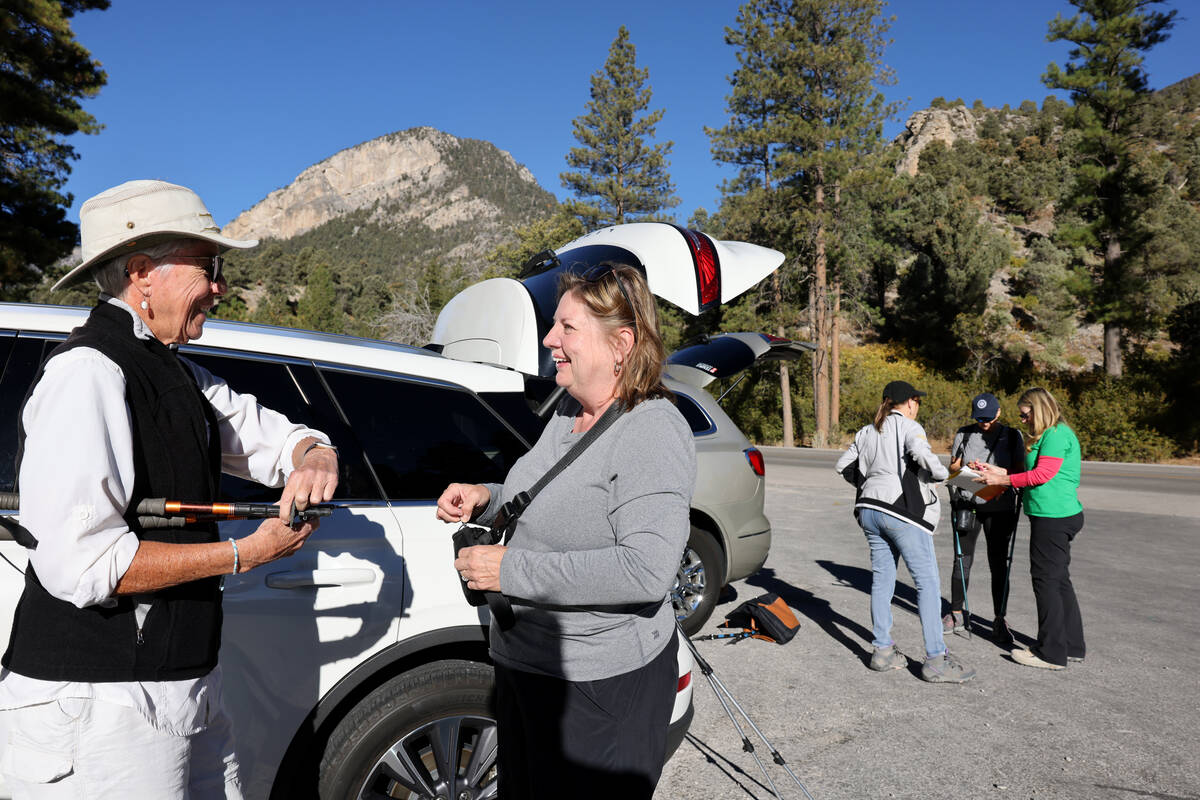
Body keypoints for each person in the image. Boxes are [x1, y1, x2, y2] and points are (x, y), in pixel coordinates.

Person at [0, 180, 340, 799]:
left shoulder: (175, 372)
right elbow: (85, 564)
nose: (220, 285)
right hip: (101, 708)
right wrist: (247, 554)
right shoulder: (87, 374)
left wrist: (314, 453)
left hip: (179, 692)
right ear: (142, 273)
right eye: (208, 266)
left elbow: (270, 437)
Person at [435, 263, 695, 798]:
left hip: (598, 686)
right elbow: (546, 499)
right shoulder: (567, 416)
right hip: (525, 667)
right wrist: (486, 497)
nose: (550, 339)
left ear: (621, 343)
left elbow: (646, 571)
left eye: (567, 328)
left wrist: (511, 570)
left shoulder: (652, 429)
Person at [835, 380, 975, 683]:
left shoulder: (866, 430)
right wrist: (946, 473)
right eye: (917, 400)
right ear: (909, 402)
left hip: (869, 511)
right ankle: (936, 659)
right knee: (927, 584)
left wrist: (871, 484)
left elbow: (843, 465)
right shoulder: (910, 427)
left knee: (882, 580)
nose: (918, 405)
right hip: (901, 514)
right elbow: (924, 458)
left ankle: (882, 651)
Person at [975, 387, 1084, 670]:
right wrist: (999, 473)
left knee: (1046, 582)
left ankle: (1050, 652)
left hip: (1053, 518)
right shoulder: (1050, 435)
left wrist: (1003, 482)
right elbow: (1032, 473)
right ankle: (1071, 645)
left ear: (1039, 409)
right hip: (1053, 516)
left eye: (1025, 415)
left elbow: (1042, 475)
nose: (1022, 420)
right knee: (1059, 581)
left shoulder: (1056, 435)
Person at [943, 392, 1025, 645]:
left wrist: (993, 470)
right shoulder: (964, 434)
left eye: (988, 418)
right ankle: (955, 613)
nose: (984, 423)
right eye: (980, 419)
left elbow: (1020, 472)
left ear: (998, 412)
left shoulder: (1012, 436)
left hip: (1000, 508)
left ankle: (999, 619)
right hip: (968, 504)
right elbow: (953, 467)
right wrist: (963, 468)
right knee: (962, 559)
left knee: (999, 563)